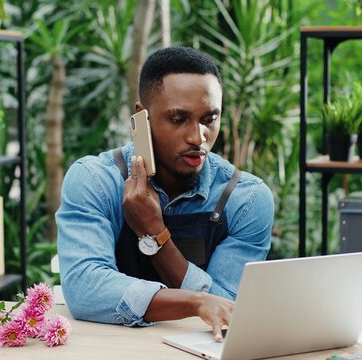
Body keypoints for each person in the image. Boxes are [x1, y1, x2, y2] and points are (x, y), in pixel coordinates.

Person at [56, 46, 274, 340]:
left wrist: (156, 234)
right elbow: (85, 288)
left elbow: (226, 310)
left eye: (209, 119)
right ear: (141, 117)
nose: (198, 138)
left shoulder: (245, 200)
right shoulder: (94, 180)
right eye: (178, 119)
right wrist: (196, 302)